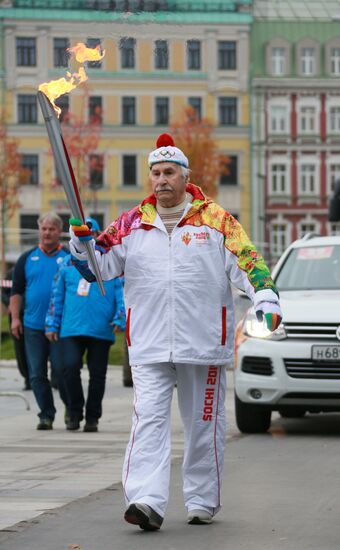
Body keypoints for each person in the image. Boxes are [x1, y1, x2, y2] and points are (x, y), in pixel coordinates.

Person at [69, 133, 282, 530]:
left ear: (186, 177)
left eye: (169, 172)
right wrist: (82, 247)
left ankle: (201, 499)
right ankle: (146, 501)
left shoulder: (215, 219)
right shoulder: (131, 223)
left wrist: (266, 297)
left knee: (204, 425)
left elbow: (249, 261)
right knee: (147, 422)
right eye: (155, 173)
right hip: (148, 343)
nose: (161, 179)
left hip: (202, 343)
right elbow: (98, 269)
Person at [45, 217, 125, 433]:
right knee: (67, 368)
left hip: (101, 328)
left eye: (94, 235)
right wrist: (52, 324)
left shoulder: (108, 263)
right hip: (71, 328)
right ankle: (74, 410)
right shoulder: (66, 265)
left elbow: (122, 293)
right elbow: (56, 296)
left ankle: (92, 417)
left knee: (97, 375)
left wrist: (119, 317)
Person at [10, 212, 68, 430]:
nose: (47, 233)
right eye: (44, 229)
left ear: (59, 232)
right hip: (33, 326)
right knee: (36, 374)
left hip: (60, 326)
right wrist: (15, 319)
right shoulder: (26, 258)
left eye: (52, 229)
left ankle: (72, 409)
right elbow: (16, 291)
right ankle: (46, 414)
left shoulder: (69, 258)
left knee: (62, 371)